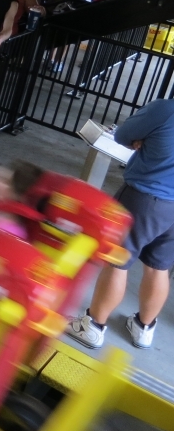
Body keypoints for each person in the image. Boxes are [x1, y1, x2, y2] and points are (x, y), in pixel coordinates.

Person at [67, 98, 174, 350]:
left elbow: (123, 135)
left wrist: (143, 141)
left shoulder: (165, 110)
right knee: (159, 267)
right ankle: (143, 328)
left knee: (117, 261)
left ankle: (92, 326)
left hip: (144, 198)